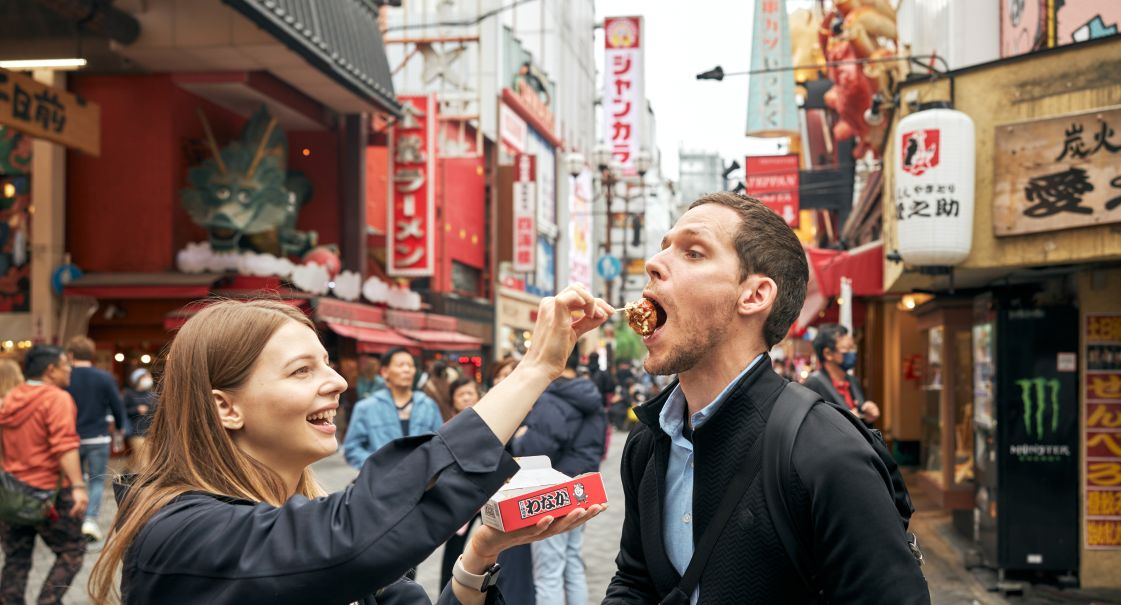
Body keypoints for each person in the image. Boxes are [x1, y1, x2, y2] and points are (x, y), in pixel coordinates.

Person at [88, 291, 611, 605]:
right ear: (226, 407)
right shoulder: (177, 533)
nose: (337, 382)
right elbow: (353, 537)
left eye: (327, 364)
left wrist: (479, 553)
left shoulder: (310, 515)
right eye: (302, 371)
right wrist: (536, 368)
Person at [603, 192, 928, 604]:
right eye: (664, 246)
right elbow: (635, 581)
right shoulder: (648, 442)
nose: (654, 263)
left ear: (754, 295)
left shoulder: (828, 453)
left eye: (693, 252)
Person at [512, 349, 606, 605]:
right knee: (573, 563)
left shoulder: (552, 398)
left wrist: (520, 439)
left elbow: (535, 449)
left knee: (548, 572)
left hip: (552, 491)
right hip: (582, 487)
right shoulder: (592, 398)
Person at [0, 345, 88, 605]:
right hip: (48, 493)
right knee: (73, 550)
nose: (69, 370)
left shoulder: (11, 396)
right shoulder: (57, 398)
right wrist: (79, 487)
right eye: (65, 365)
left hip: (11, 492)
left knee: (16, 558)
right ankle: (48, 601)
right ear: (51, 370)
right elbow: (65, 445)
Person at [65, 336, 129, 542]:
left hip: (70, 438)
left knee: (73, 480)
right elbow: (116, 405)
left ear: (70, 355)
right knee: (97, 481)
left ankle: (73, 518)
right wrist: (120, 427)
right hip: (98, 437)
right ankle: (90, 520)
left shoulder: (65, 376)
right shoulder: (104, 377)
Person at [342, 348, 443, 469]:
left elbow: (440, 445)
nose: (407, 369)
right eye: (401, 365)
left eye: (410, 365)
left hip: (422, 482)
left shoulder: (428, 405)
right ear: (385, 372)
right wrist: (377, 467)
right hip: (381, 484)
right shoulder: (366, 408)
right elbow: (352, 448)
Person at [438, 376, 483, 588]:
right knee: (454, 552)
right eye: (460, 395)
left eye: (470, 393)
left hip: (491, 496)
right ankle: (448, 594)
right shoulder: (448, 428)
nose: (466, 398)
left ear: (478, 396)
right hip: (460, 499)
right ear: (453, 401)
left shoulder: (493, 420)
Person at [804, 323, 881, 425]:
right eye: (846, 349)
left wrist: (867, 417)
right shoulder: (814, 384)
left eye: (853, 348)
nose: (852, 353)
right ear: (828, 354)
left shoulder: (854, 381)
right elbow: (811, 425)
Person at [123, 368, 157, 469]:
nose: (148, 379)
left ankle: (126, 473)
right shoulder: (128, 394)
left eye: (149, 377)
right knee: (143, 460)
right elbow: (122, 411)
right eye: (145, 377)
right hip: (135, 430)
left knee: (141, 457)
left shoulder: (152, 395)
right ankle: (144, 481)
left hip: (150, 430)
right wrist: (136, 410)